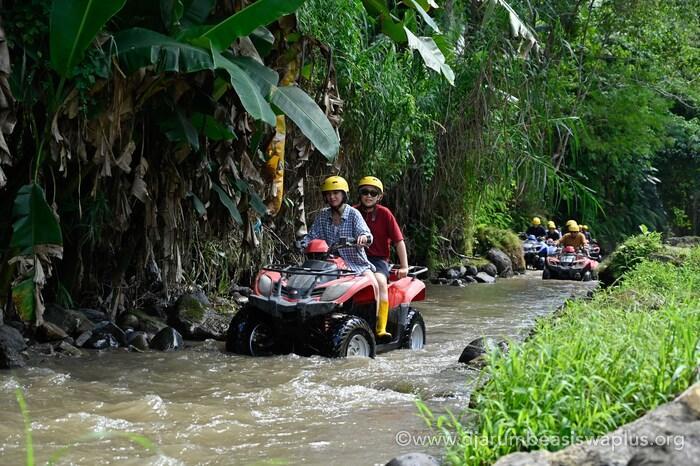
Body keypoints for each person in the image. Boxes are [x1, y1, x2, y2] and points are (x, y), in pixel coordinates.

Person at [355, 176, 409, 339]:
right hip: (354, 258)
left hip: (378, 260)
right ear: (360, 194)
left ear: (379, 196)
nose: (368, 196)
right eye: (365, 192)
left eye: (373, 193)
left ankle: (380, 328)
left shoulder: (385, 214)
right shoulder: (352, 212)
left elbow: (398, 241)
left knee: (380, 282)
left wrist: (404, 266)